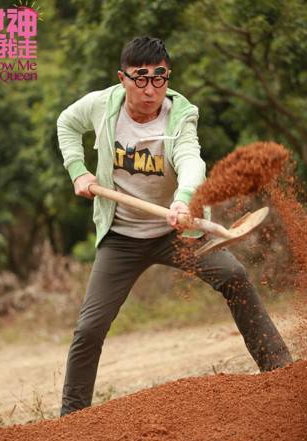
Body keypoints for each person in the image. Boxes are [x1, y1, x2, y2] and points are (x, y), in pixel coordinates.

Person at [57, 36, 292, 416]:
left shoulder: (181, 116)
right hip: (122, 237)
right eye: (140, 78)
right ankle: (71, 419)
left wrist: (183, 199)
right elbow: (66, 122)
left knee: (234, 275)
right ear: (123, 78)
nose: (150, 89)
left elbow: (191, 160)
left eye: (159, 78)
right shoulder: (101, 106)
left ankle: (280, 370)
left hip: (176, 232)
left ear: (168, 77)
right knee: (89, 329)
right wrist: (77, 169)